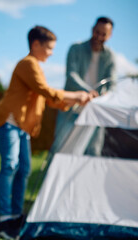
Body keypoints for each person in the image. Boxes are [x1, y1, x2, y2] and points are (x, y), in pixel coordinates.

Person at [0, 26, 91, 239]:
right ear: (36, 44)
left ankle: (16, 214)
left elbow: (47, 98)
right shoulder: (28, 64)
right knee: (10, 166)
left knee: (24, 169)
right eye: (49, 48)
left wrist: (74, 101)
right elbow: (47, 91)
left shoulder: (36, 66)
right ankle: (4, 219)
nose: (52, 53)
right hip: (9, 121)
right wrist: (76, 95)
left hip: (22, 126)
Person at [54, 17, 116, 149]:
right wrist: (89, 92)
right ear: (92, 29)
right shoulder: (76, 48)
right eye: (97, 32)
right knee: (60, 146)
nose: (98, 36)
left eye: (103, 34)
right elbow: (71, 75)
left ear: (109, 36)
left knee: (93, 149)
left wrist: (104, 97)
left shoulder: (110, 56)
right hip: (71, 107)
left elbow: (112, 83)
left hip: (95, 110)